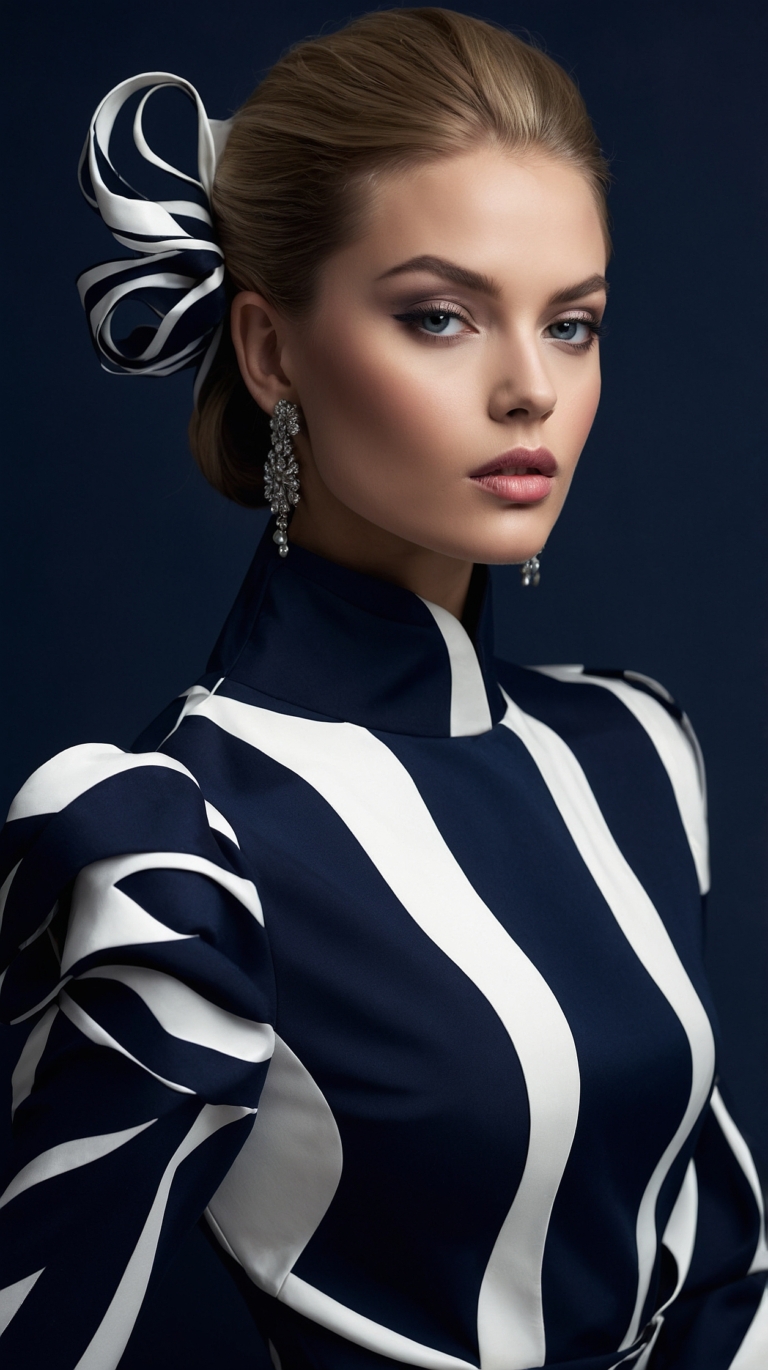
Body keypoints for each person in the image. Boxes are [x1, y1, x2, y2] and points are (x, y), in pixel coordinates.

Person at [0, 8, 765, 1368]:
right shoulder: (176, 840)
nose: (530, 388)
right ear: (270, 349)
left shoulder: (637, 749)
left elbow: (721, 1268)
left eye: (573, 323)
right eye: (440, 316)